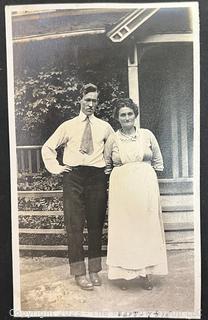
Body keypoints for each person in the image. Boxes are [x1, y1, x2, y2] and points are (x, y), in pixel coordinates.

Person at [42, 83, 114, 291]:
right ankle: (79, 274)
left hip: (97, 177)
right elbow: (48, 147)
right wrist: (56, 168)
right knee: (74, 226)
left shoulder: (104, 127)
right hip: (73, 176)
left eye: (94, 100)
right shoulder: (68, 125)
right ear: (80, 100)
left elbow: (114, 148)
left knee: (95, 225)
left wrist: (110, 169)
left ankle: (94, 271)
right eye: (88, 100)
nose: (91, 104)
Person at [104, 98, 168, 290]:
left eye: (129, 113)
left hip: (145, 187)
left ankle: (145, 274)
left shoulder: (147, 135)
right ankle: (124, 275)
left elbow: (158, 160)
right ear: (117, 117)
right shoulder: (113, 139)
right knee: (125, 228)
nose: (126, 117)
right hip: (122, 189)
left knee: (145, 227)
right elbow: (108, 165)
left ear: (135, 115)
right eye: (122, 114)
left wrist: (145, 175)